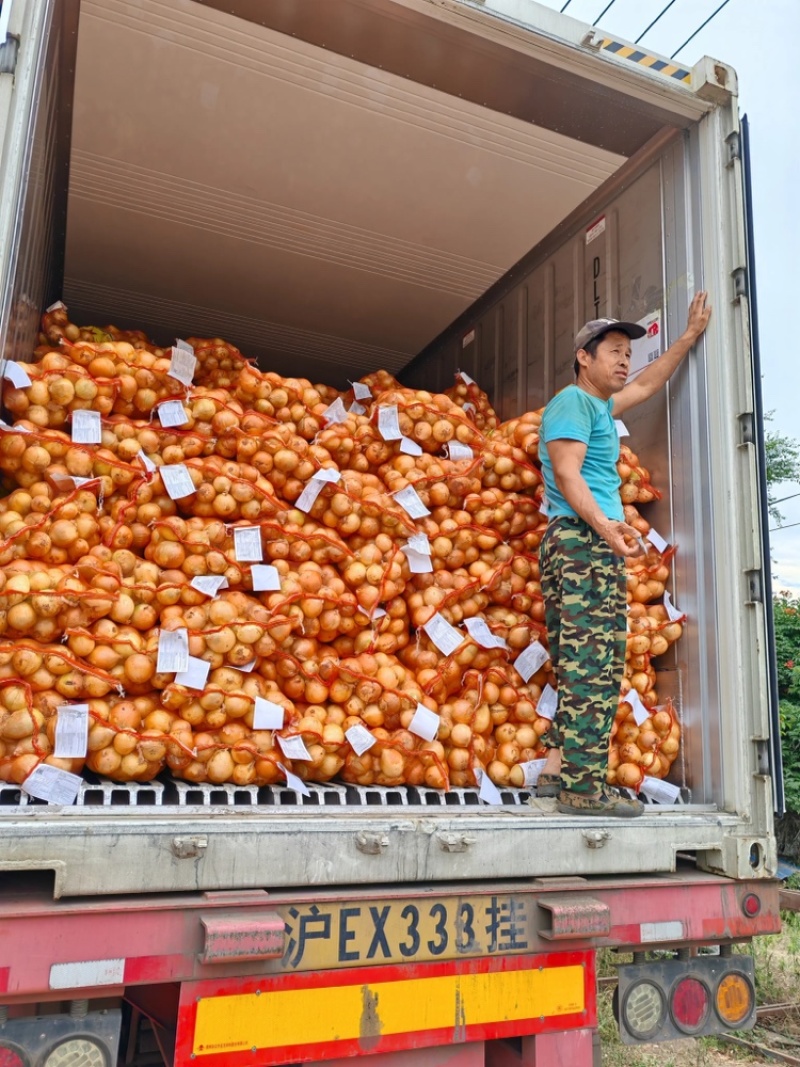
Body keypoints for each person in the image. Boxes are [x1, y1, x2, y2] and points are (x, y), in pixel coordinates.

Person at [535, 292, 712, 817]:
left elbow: (648, 384)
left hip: (585, 541)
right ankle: (583, 789)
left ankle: (555, 772)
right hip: (581, 541)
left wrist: (686, 338)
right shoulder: (572, 402)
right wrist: (607, 529)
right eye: (612, 349)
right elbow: (567, 475)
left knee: (579, 661)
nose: (623, 360)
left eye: (627, 352)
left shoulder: (599, 404)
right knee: (596, 665)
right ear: (583, 357)